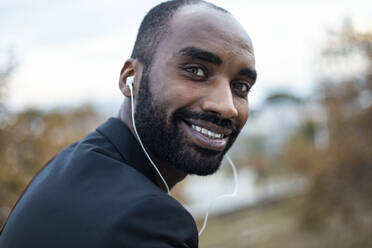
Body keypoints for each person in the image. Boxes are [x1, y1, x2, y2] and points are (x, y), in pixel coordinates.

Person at [0, 0, 256, 247]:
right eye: (196, 70)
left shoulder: (68, 164)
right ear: (129, 78)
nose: (226, 106)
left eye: (241, 86)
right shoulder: (146, 219)